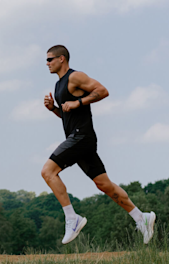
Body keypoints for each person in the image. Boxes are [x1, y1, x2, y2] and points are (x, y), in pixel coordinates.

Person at [41, 45, 156, 245]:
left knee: (47, 172)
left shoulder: (75, 77)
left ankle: (72, 218)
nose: (47, 63)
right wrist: (54, 109)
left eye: (50, 59)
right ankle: (141, 218)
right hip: (78, 138)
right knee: (104, 184)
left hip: (81, 137)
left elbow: (102, 91)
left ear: (61, 58)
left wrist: (78, 103)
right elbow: (66, 115)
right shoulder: (59, 85)